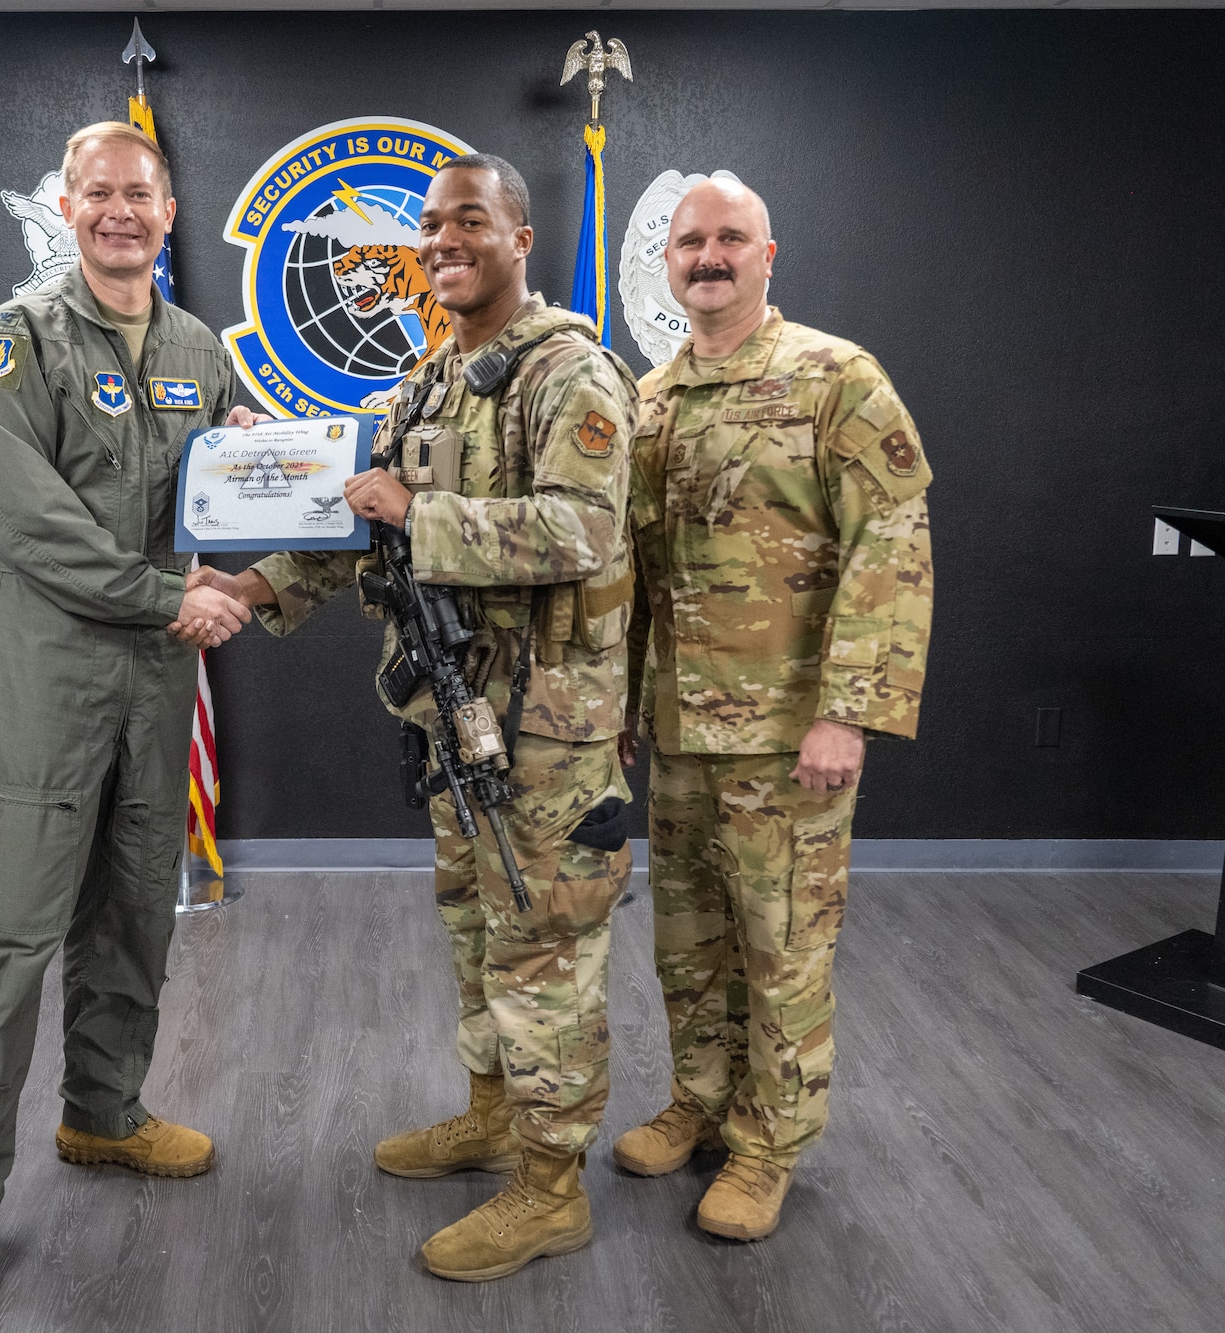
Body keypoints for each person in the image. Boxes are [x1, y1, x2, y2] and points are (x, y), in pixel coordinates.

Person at [186, 154, 640, 1282]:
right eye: (429, 225)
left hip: (544, 727)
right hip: (452, 714)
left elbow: (582, 532)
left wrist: (421, 509)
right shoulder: (430, 378)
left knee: (541, 952)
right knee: (474, 935)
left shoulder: (568, 371)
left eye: (467, 221)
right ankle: (491, 1116)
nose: (441, 240)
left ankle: (549, 1190)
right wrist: (249, 589)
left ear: (518, 237)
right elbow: (360, 524)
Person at [0, 121, 258, 1333]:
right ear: (66, 209)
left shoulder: (196, 349)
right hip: (44, 696)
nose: (120, 211)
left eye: (140, 194)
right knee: (0, 949)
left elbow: (238, 476)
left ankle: (102, 1114)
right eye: (98, 193)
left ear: (169, 214)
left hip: (155, 696)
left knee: (127, 924)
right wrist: (178, 595)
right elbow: (34, 531)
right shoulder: (11, 349)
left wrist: (313, 495)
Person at [612, 174, 934, 1240]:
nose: (707, 255)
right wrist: (619, 710)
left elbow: (891, 546)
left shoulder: (834, 377)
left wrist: (848, 712)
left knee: (781, 947)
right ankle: (699, 1104)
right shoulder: (649, 400)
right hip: (677, 731)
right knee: (688, 939)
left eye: (729, 238)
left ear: (767, 253)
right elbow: (635, 575)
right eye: (689, 242)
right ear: (668, 263)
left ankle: (766, 1145)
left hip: (786, 736)